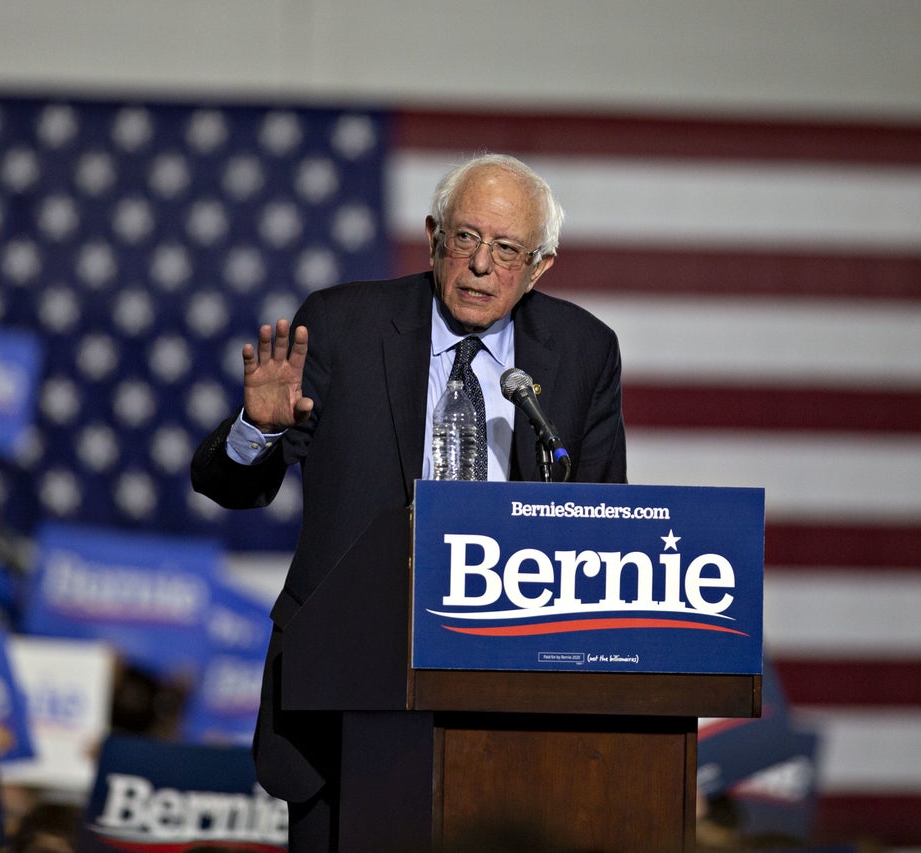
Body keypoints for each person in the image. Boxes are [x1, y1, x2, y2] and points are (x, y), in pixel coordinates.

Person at [191, 153, 628, 849]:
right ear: (432, 237)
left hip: (512, 687)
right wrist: (260, 430)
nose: (482, 264)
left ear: (540, 266)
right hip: (345, 687)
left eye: (507, 248)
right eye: (466, 238)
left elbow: (605, 526)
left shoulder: (582, 352)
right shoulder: (343, 325)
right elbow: (232, 485)